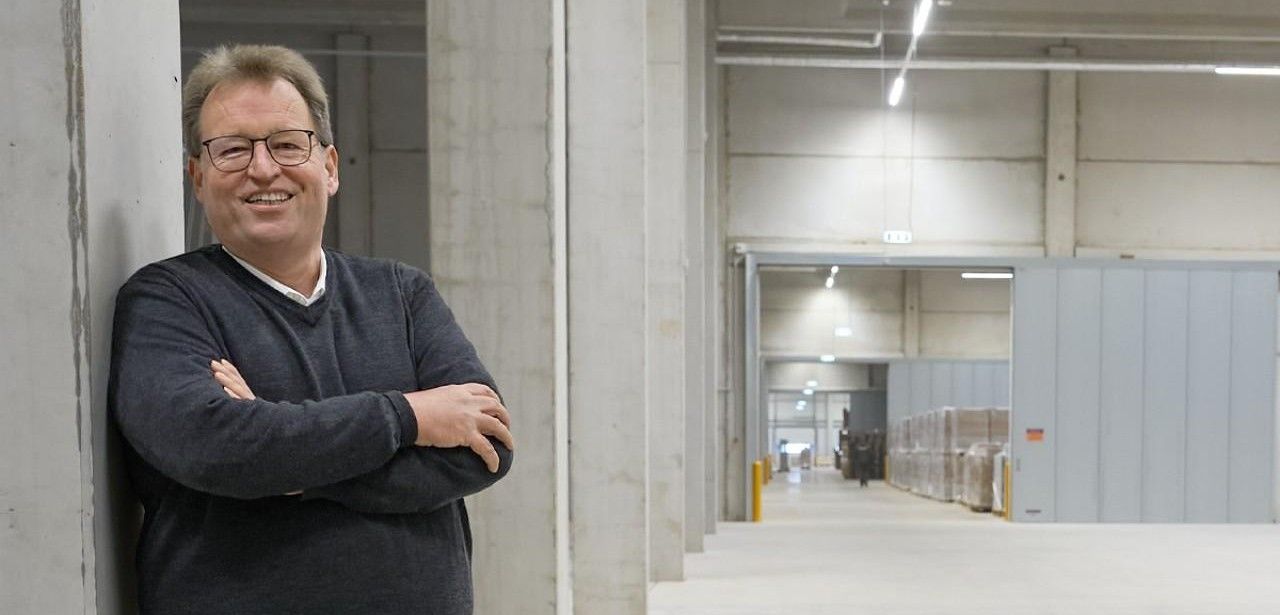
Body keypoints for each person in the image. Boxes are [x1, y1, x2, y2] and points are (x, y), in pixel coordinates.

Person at [108, 44, 514, 614]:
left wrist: (292, 468)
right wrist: (409, 418)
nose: (262, 168)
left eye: (286, 144)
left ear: (329, 166)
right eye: (232, 149)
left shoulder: (402, 294)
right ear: (198, 177)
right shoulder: (167, 300)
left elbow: (485, 448)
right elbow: (214, 447)